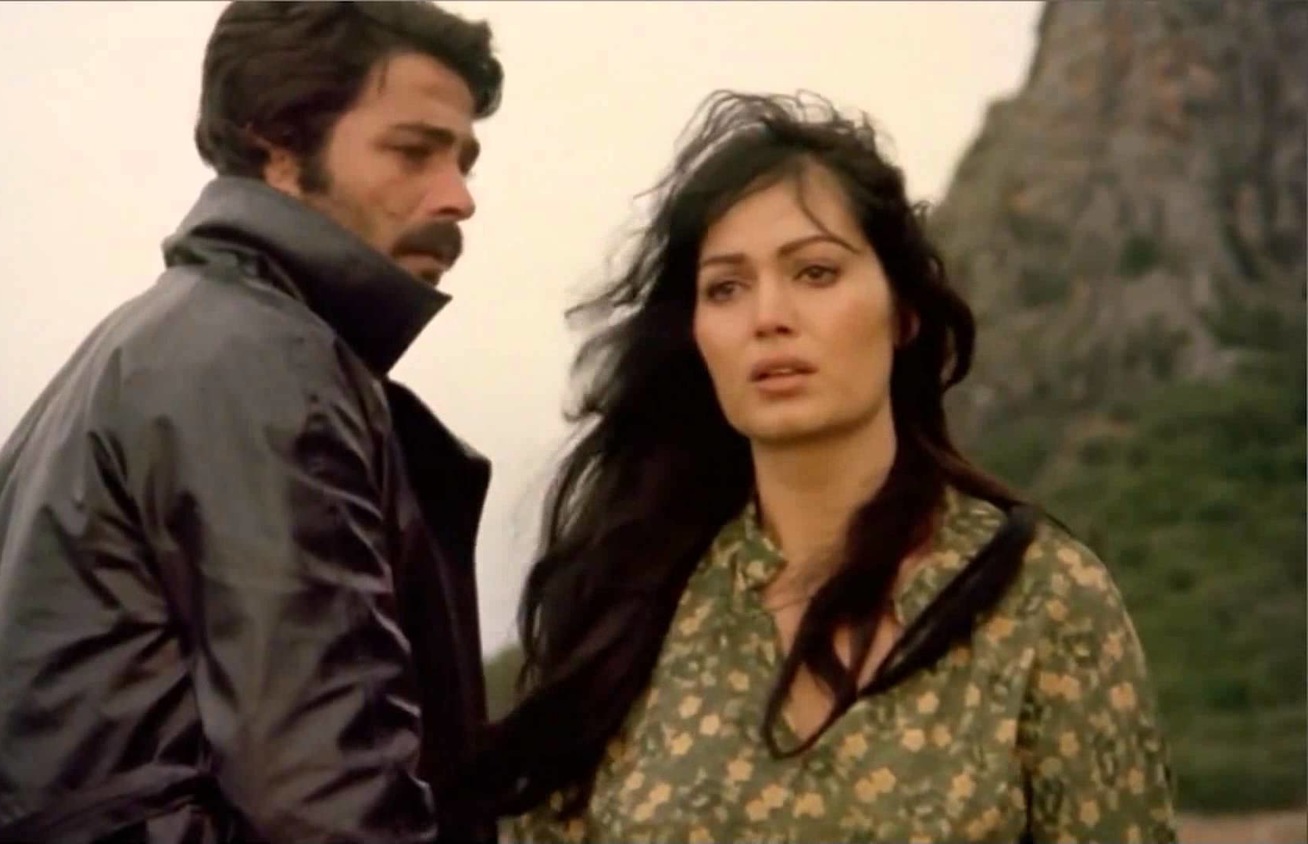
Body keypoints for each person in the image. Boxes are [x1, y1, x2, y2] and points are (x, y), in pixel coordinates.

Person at [479, 91, 1178, 844]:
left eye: (815, 272)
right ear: (697, 335)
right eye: (726, 288)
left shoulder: (1040, 599)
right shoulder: (630, 609)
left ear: (903, 312)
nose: (768, 317)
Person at [0, 3, 503, 842]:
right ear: (277, 145)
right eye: (413, 152)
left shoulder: (163, 343)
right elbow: (326, 794)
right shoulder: (263, 364)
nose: (458, 197)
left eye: (464, 161)